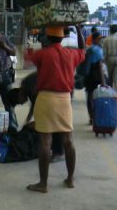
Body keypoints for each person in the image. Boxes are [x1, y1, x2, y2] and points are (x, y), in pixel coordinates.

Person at [25, 24, 85, 193]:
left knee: (45, 142)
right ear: (62, 38)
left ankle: (43, 184)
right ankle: (70, 179)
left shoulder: (42, 54)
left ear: (47, 38)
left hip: (45, 99)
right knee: (68, 141)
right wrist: (79, 30)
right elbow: (82, 49)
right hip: (64, 99)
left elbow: (34, 58)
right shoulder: (71, 54)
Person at [7, 72, 64, 160]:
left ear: (18, 95)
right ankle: (53, 149)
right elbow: (34, 106)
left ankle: (58, 152)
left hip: (55, 93)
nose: (22, 104)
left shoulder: (29, 87)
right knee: (45, 124)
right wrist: (27, 121)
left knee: (52, 124)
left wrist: (34, 123)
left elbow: (41, 107)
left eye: (19, 102)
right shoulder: (26, 87)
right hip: (53, 90)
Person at [84, 32, 106, 125]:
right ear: (94, 39)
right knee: (98, 96)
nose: (100, 40)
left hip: (88, 75)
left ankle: (91, 117)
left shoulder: (88, 49)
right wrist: (103, 81)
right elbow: (100, 67)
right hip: (96, 75)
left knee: (89, 96)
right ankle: (97, 116)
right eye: (99, 38)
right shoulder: (98, 50)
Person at [103, 24, 117, 102]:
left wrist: (104, 62)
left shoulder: (106, 39)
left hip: (109, 59)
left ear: (110, 30)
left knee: (110, 79)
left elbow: (104, 53)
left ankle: (110, 95)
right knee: (116, 79)